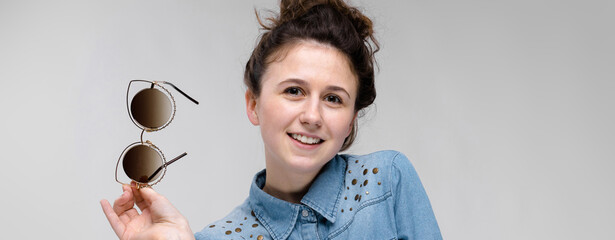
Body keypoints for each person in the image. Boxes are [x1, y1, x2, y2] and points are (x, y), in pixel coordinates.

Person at [100, 0, 442, 239]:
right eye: (294, 91)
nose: (312, 116)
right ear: (253, 103)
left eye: (334, 99)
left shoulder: (386, 182)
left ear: (351, 120)